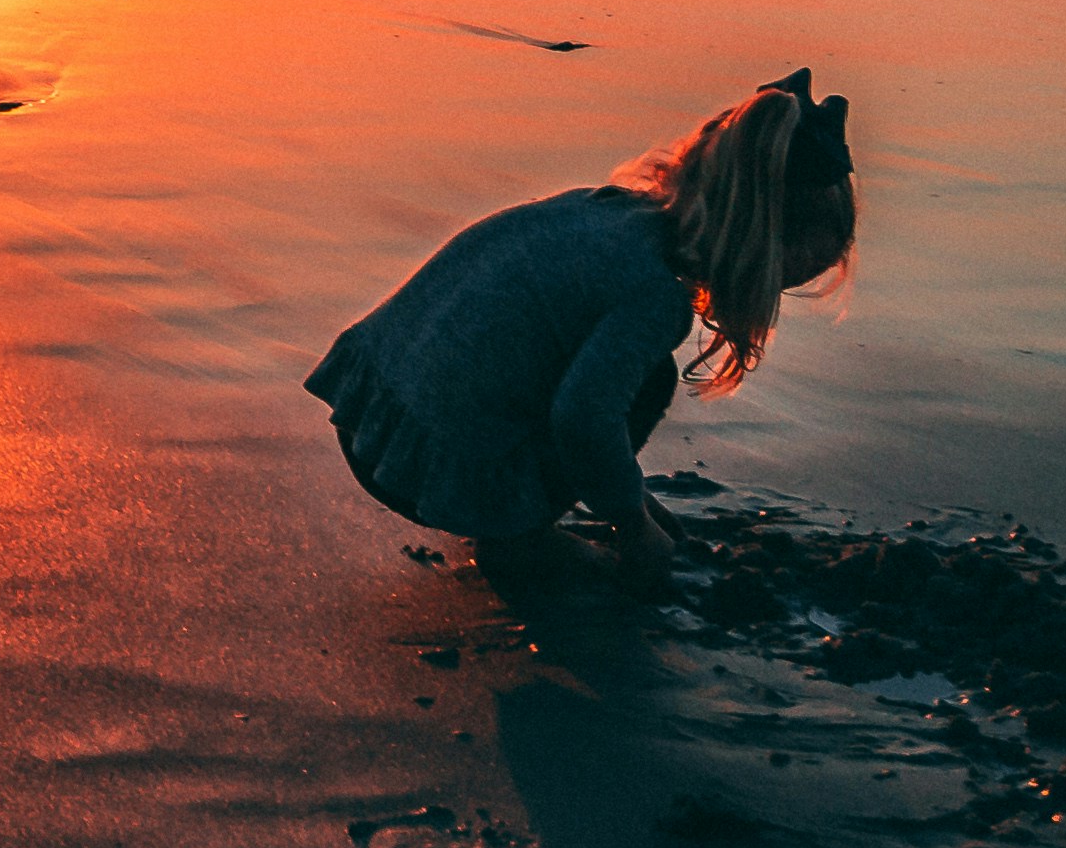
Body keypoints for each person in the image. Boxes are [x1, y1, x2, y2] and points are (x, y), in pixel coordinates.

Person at [305, 70, 853, 579]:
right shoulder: (655, 297)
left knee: (595, 373)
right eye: (781, 279)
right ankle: (518, 537)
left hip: (372, 414)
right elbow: (582, 421)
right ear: (754, 245)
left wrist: (630, 495)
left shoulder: (600, 210)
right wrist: (632, 527)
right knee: (645, 382)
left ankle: (538, 500)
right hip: (424, 461)